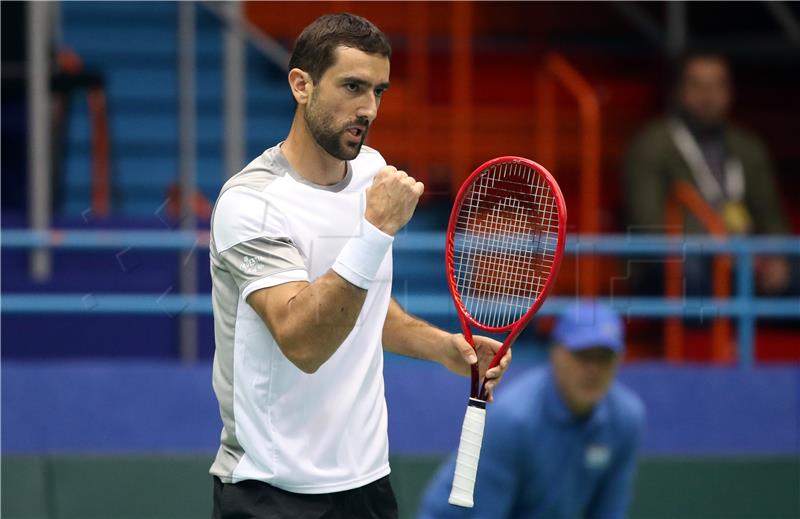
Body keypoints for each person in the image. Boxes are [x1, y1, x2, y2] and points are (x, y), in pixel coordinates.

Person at [208, 13, 511, 519]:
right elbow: (305, 341)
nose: (368, 108)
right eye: (352, 87)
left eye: (378, 91)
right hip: (271, 491)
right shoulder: (251, 203)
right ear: (301, 85)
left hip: (368, 484)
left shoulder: (371, 171)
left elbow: (362, 306)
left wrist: (445, 349)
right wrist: (374, 231)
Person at [419, 301, 645, 519]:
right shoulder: (513, 420)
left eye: (604, 358)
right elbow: (486, 513)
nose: (593, 370)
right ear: (555, 353)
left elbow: (609, 511)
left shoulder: (627, 418)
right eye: (583, 356)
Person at [623, 51, 794, 296]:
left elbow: (772, 217)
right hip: (680, 262)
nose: (708, 96)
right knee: (688, 271)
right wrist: (716, 246)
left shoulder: (749, 148)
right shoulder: (650, 146)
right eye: (697, 85)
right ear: (678, 90)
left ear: (730, 91)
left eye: (717, 85)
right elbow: (648, 225)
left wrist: (777, 258)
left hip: (742, 261)